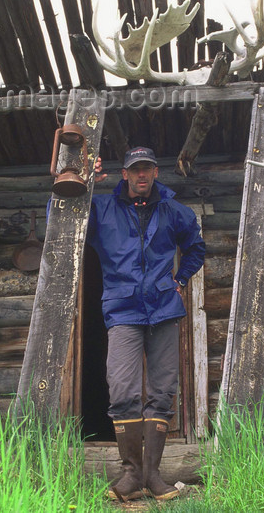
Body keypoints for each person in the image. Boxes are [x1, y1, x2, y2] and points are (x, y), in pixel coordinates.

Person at [88, 146, 205, 501]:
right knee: (123, 391)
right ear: (124, 174)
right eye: (135, 169)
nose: (141, 175)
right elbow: (59, 217)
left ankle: (153, 476)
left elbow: (196, 247)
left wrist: (180, 279)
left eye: (147, 169)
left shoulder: (173, 211)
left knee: (163, 391)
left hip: (164, 310)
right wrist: (86, 184)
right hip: (123, 311)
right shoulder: (103, 209)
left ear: (155, 173)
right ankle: (131, 475)